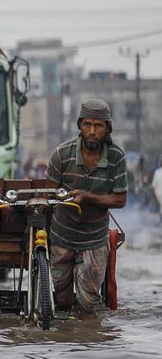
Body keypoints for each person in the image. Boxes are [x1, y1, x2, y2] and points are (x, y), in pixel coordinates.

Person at [45, 98, 127, 321]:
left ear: (107, 128)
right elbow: (48, 195)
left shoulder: (116, 157)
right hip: (62, 237)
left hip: (94, 240)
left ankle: (89, 345)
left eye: (98, 126)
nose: (92, 131)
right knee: (61, 300)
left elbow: (120, 200)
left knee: (88, 305)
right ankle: (68, 343)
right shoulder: (62, 154)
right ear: (79, 126)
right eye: (87, 125)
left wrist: (88, 197)